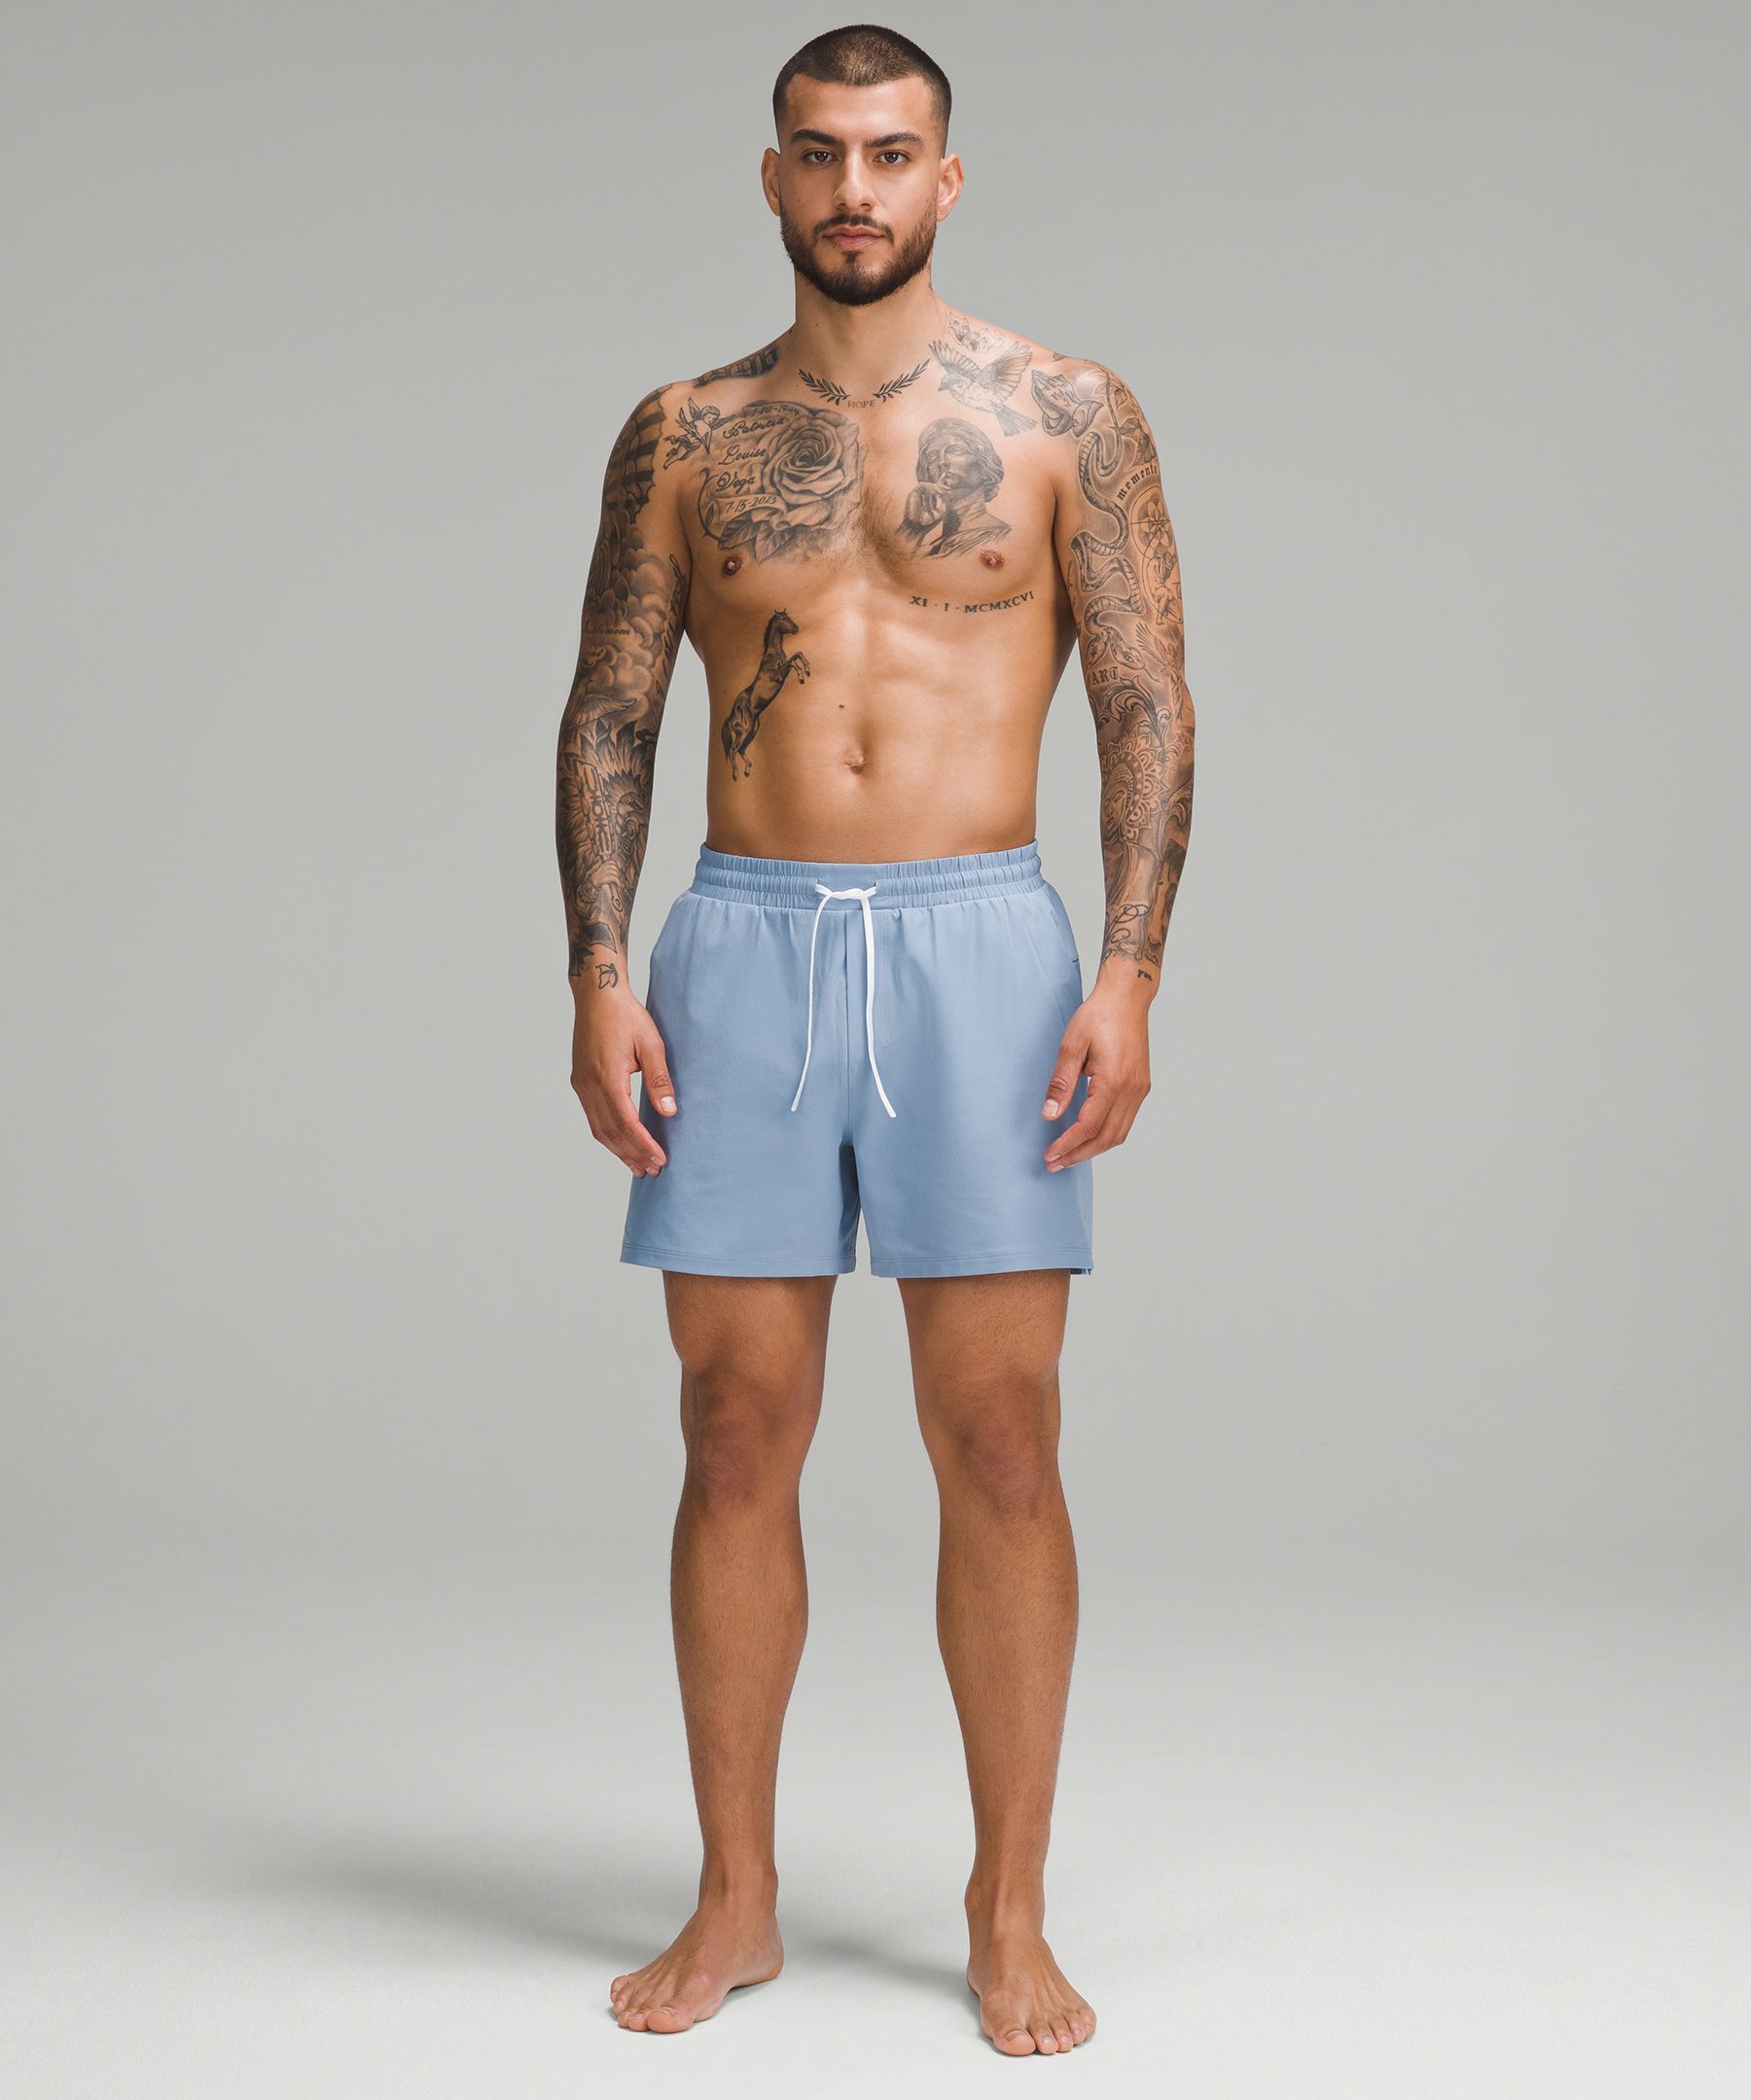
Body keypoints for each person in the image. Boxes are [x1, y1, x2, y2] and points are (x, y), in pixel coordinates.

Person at [554, 21, 1195, 2058]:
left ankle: (1008, 1909)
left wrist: (1129, 969)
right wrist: (595, 968)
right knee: (733, 1428)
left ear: (946, 178)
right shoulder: (680, 432)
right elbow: (611, 707)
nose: (855, 190)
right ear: (772, 177)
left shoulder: (1068, 413)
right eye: (820, 154)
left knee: (1000, 1437)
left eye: (892, 153)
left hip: (981, 946)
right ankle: (735, 1898)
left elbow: (1147, 700)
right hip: (741, 946)